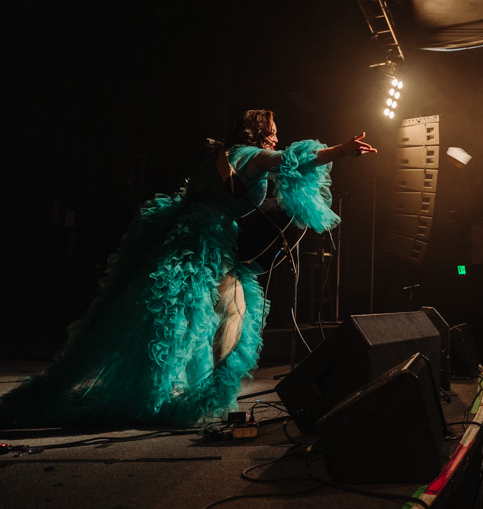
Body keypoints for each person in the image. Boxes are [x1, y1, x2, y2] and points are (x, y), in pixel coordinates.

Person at [0, 109, 376, 428]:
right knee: (228, 313)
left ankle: (176, 390)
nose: (276, 140)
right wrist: (342, 150)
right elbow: (291, 160)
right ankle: (197, 397)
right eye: (272, 134)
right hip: (207, 240)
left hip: (191, 232)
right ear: (259, 133)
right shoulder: (251, 155)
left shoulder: (227, 154)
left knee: (183, 315)